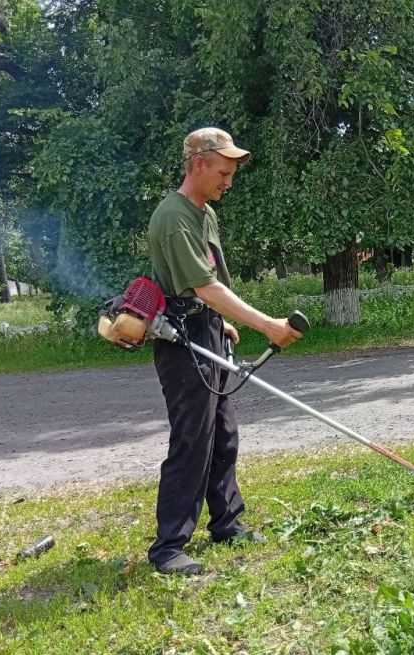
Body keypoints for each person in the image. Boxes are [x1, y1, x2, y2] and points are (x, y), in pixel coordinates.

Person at [146, 127, 302, 576]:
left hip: (206, 329)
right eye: (223, 171)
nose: (228, 181)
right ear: (198, 163)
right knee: (192, 440)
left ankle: (226, 523)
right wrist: (268, 325)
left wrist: (223, 321)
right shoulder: (173, 216)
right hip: (181, 340)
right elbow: (202, 286)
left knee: (223, 433)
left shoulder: (203, 213)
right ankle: (168, 547)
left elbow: (208, 284)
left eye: (231, 173)